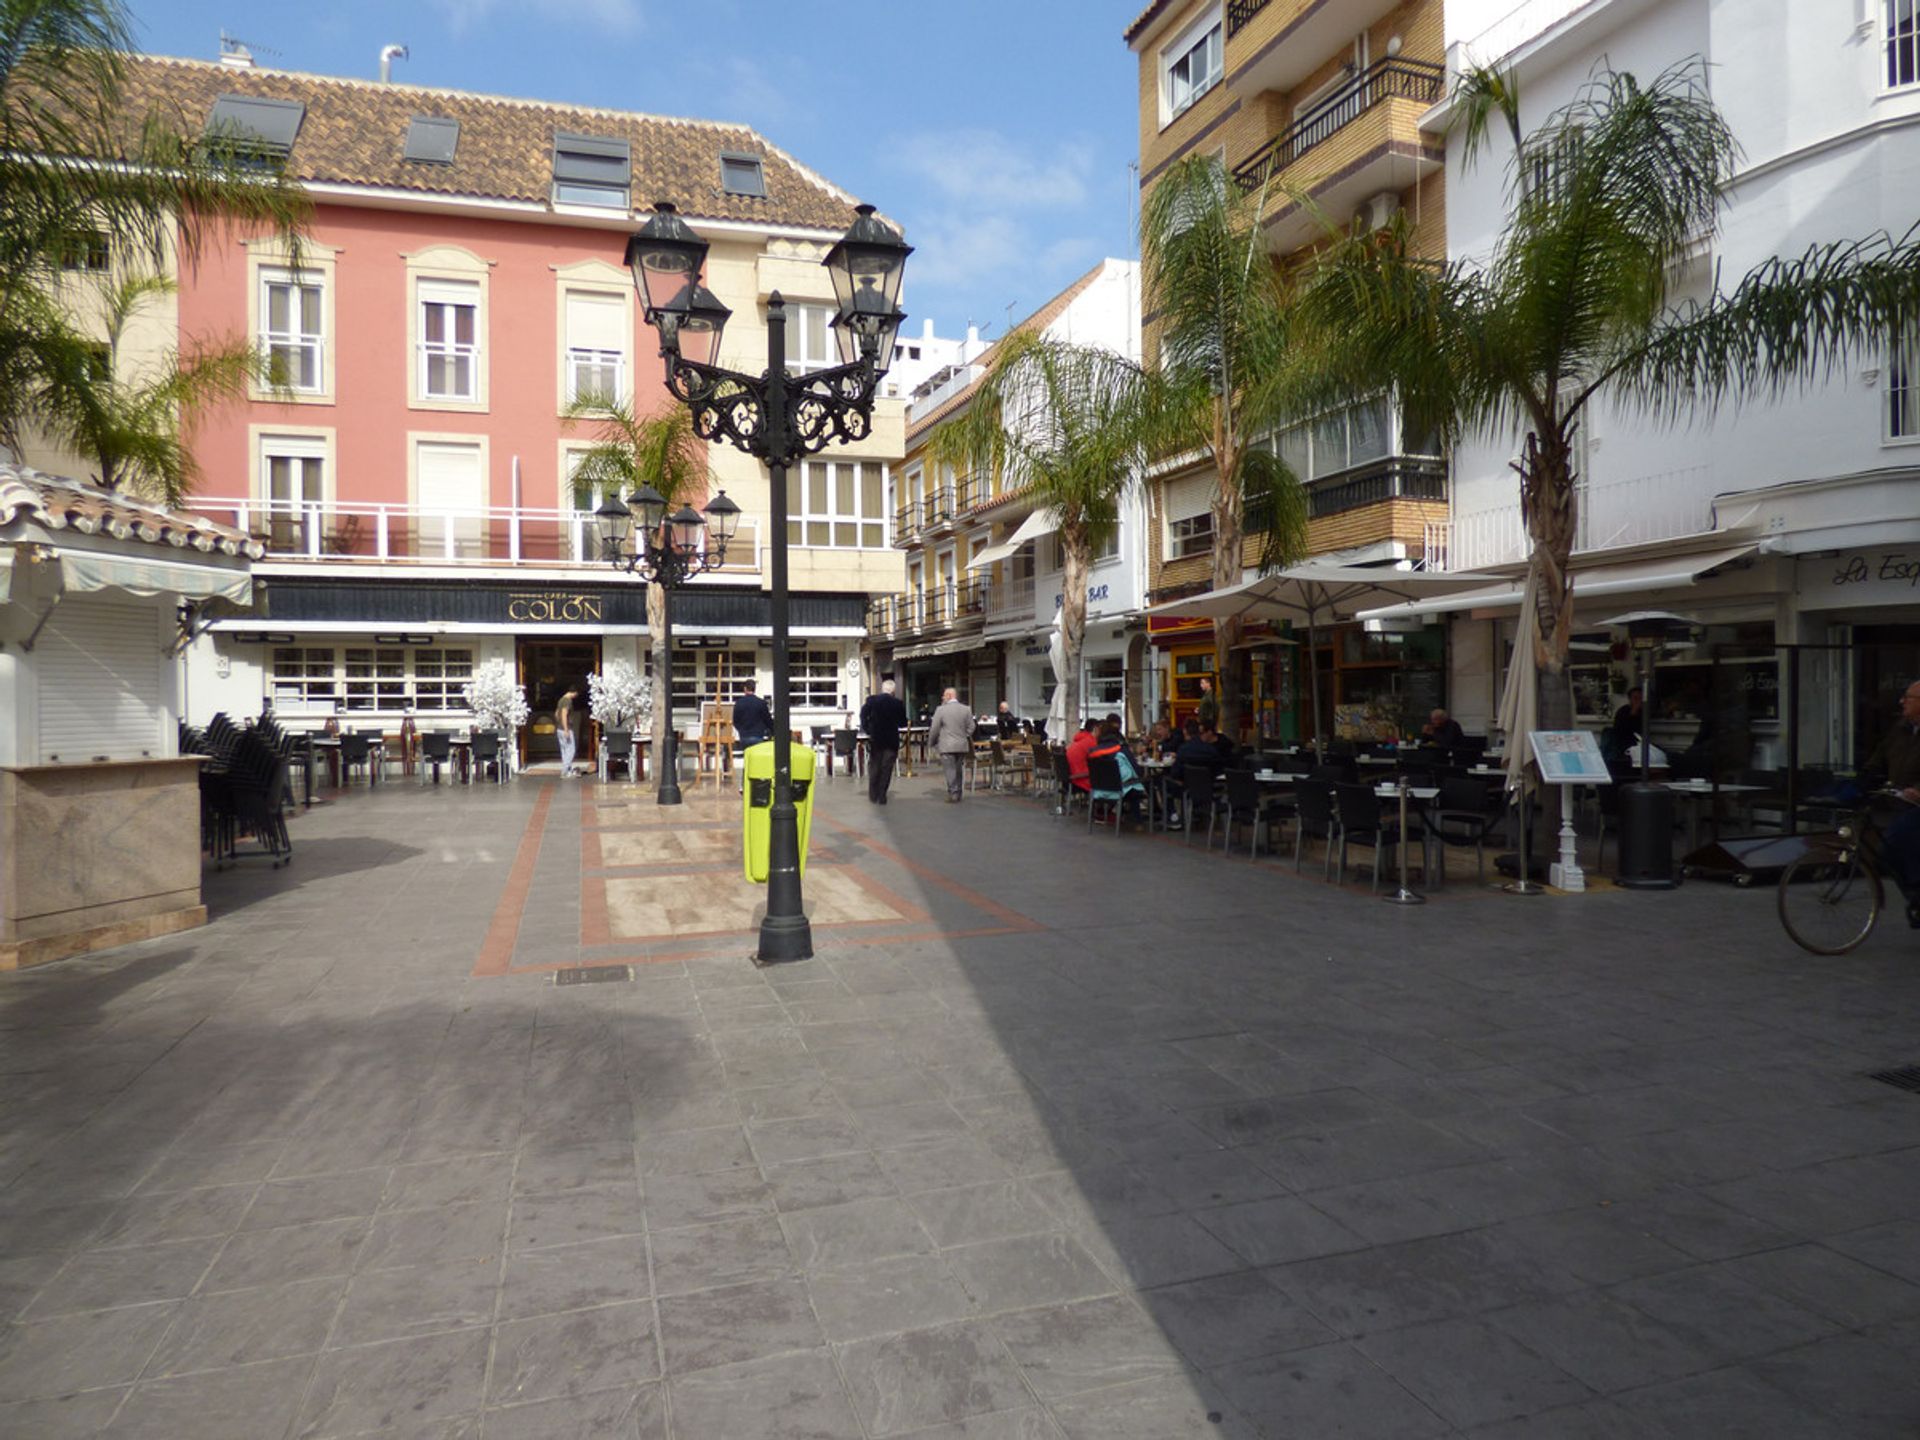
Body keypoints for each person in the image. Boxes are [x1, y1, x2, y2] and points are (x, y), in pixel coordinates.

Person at [1862, 679, 1920, 899]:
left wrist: (1917, 789)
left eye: (1908, 698)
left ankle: (1916, 891)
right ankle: (1914, 893)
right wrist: (1864, 779)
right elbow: (1880, 757)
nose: (1901, 701)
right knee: (1889, 850)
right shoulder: (1901, 728)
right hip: (1901, 802)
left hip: (1916, 802)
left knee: (1895, 841)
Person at [859, 678, 909, 805]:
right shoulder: (897, 703)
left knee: (875, 766)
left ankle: (872, 794)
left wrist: (867, 729)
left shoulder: (871, 701)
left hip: (876, 738)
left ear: (882, 689)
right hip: (891, 740)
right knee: (887, 768)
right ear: (893, 691)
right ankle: (882, 795)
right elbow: (903, 722)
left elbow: (863, 715)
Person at [927, 686, 975, 802]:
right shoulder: (966, 709)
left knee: (950, 770)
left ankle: (953, 793)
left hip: (946, 745)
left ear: (949, 696)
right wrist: (964, 735)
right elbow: (972, 726)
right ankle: (959, 792)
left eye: (944, 695)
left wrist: (931, 742)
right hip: (961, 744)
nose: (942, 698)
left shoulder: (941, 710)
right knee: (958, 769)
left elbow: (935, 728)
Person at [731, 678, 773, 748]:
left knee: (747, 757)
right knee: (757, 757)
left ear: (745, 688)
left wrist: (741, 730)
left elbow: (735, 721)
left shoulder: (739, 703)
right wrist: (770, 730)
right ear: (754, 689)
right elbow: (768, 720)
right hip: (758, 735)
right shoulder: (761, 703)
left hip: (744, 736)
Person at [1065, 718, 1099, 794]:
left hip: (1070, 778)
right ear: (1095, 729)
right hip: (1081, 780)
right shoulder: (1091, 742)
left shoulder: (1078, 740)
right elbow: (1098, 761)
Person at [1610, 686, 1644, 757]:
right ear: (1630, 699)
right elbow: (1621, 730)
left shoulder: (1644, 712)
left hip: (1641, 743)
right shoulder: (1623, 711)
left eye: (1640, 698)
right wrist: (1633, 713)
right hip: (1624, 745)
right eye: (1635, 698)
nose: (1639, 701)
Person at [554, 686, 580, 777]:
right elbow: (564, 714)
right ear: (574, 692)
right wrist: (566, 729)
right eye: (576, 694)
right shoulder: (567, 701)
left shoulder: (561, 700)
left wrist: (559, 724)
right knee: (571, 750)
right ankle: (565, 771)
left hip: (559, 729)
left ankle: (567, 770)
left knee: (564, 750)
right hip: (566, 729)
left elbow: (557, 714)